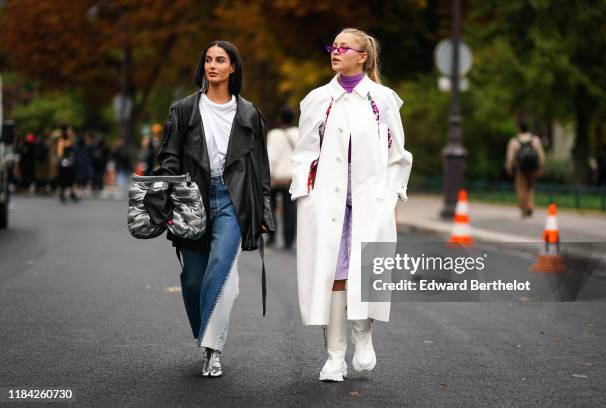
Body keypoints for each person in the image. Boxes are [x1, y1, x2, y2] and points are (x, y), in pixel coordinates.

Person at [290, 28, 413, 382]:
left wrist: (390, 196)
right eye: (333, 46)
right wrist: (306, 196)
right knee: (334, 275)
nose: (336, 51)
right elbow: (304, 153)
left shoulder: (382, 100)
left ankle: (363, 333)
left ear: (363, 57)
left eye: (344, 47)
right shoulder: (317, 99)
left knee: (367, 269)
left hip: (369, 202)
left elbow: (398, 154)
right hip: (326, 203)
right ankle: (333, 356)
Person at [150, 40, 274, 378]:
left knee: (220, 270)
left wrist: (264, 213)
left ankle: (213, 350)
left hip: (233, 201)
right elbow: (169, 159)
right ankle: (205, 334)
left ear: (233, 67)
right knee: (191, 281)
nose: (212, 65)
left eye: (220, 60)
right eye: (207, 60)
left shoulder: (249, 114)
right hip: (193, 200)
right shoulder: (185, 110)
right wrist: (168, 203)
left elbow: (261, 169)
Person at [266, 107, 299, 249]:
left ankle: (271, 237)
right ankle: (289, 239)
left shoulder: (274, 135)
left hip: (275, 178)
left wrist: (268, 176)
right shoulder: (298, 133)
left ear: (280, 119)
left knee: (270, 209)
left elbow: (271, 156)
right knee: (290, 210)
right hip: (291, 178)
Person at [505, 120, 545, 217]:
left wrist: (509, 168)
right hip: (533, 168)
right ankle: (530, 206)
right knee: (530, 187)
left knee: (521, 188)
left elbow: (510, 157)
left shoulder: (514, 141)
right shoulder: (535, 139)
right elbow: (541, 155)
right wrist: (540, 167)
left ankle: (524, 208)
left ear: (519, 129)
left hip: (521, 168)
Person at [57, 127, 79, 203]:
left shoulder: (72, 140)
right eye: (69, 131)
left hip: (71, 162)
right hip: (64, 162)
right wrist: (63, 160)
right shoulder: (62, 140)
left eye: (71, 131)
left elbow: (74, 151)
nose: (70, 132)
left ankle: (72, 193)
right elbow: (60, 153)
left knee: (71, 178)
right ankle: (62, 194)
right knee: (64, 178)